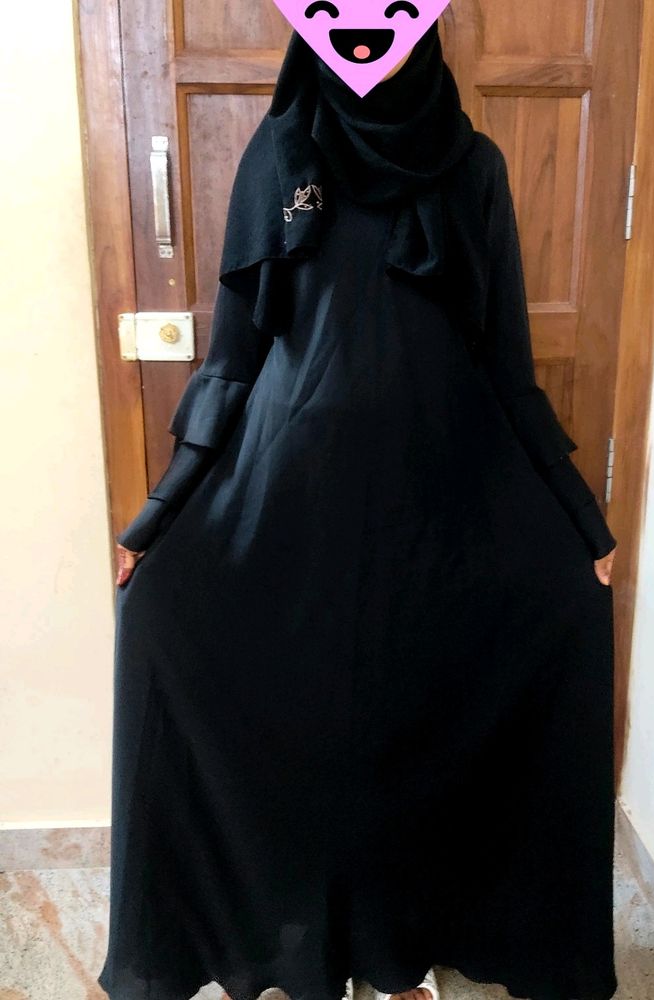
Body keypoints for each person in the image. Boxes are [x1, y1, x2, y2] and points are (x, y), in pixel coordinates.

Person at [98, 22, 619, 1000]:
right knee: (301, 727)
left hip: (445, 506)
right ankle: (310, 954)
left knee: (415, 731)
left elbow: (508, 364)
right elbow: (235, 357)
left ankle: (399, 956)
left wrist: (584, 529)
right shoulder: (278, 157)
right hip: (290, 499)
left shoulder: (475, 168)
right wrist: (156, 520)